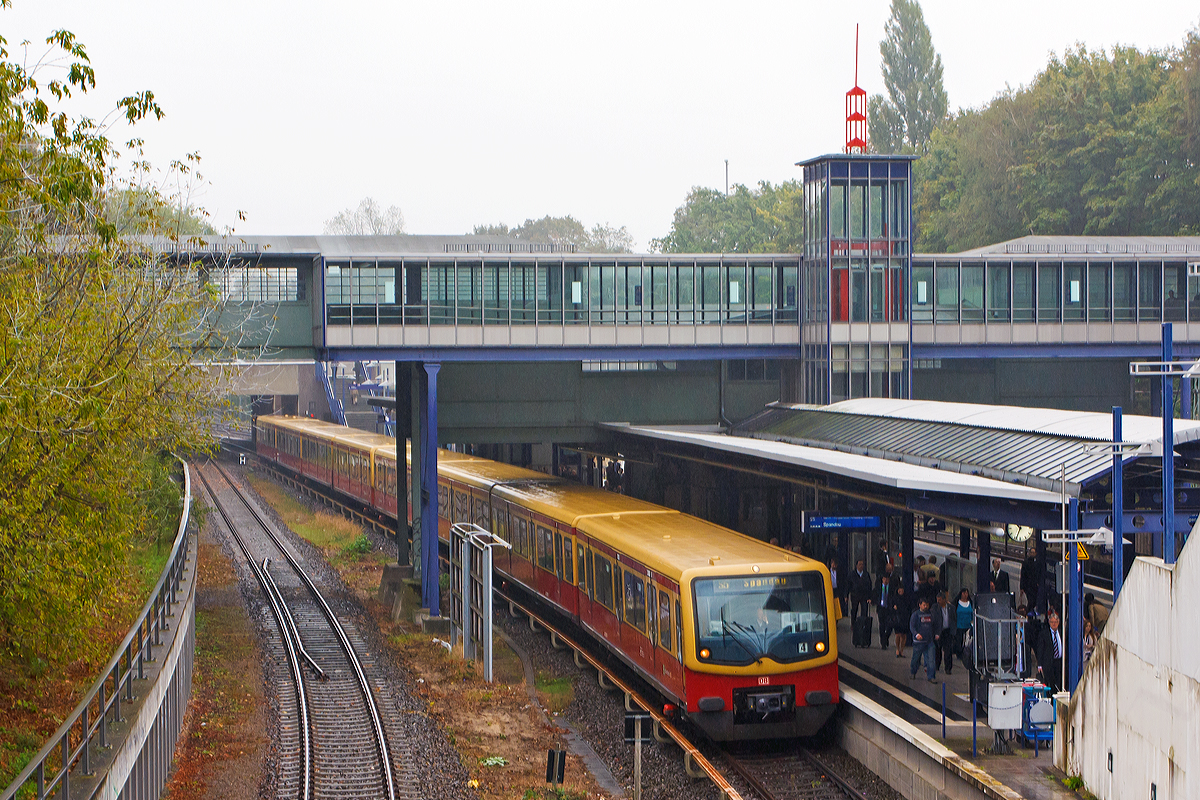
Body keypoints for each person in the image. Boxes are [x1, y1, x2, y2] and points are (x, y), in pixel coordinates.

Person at [1036, 610, 1065, 692]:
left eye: (1055, 622)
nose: (1054, 624)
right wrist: (1039, 664)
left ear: (1058, 622)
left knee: (1059, 681)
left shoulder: (1062, 632)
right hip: (1049, 663)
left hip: (1059, 662)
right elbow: (1040, 649)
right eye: (1052, 622)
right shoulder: (1044, 633)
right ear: (1049, 622)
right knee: (1050, 682)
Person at [910, 597, 938, 682]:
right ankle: (913, 671)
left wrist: (936, 633)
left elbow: (934, 625)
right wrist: (916, 634)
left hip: (929, 641)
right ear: (920, 605)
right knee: (915, 658)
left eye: (927, 605)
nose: (926, 607)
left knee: (931, 660)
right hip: (918, 642)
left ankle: (931, 676)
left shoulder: (931, 614)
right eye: (924, 605)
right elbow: (912, 626)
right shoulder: (915, 615)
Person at [934, 591, 957, 675]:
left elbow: (954, 619)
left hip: (948, 631)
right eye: (937, 600)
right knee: (937, 650)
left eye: (940, 600)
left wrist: (953, 631)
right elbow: (934, 620)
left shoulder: (951, 608)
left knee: (948, 651)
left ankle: (948, 668)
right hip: (939, 631)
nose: (938, 602)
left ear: (944, 600)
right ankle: (936, 665)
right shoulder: (935, 608)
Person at [849, 559, 873, 624]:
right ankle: (853, 624)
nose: (861, 566)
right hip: (855, 595)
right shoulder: (852, 574)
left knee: (864, 611)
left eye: (862, 564)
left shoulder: (866, 574)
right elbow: (848, 584)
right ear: (856, 565)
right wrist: (846, 595)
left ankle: (863, 624)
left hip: (864, 595)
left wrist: (870, 597)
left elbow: (869, 585)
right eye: (859, 564)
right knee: (854, 610)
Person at [955, 588, 974, 669]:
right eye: (964, 593)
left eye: (966, 593)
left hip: (968, 625)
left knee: (967, 641)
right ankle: (959, 653)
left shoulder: (970, 603)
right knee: (959, 640)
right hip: (959, 625)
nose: (965, 595)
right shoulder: (957, 603)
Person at [891, 584, 911, 657]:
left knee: (903, 635)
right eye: (899, 589)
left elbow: (909, 607)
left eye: (902, 589)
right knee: (898, 634)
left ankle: (901, 650)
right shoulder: (894, 598)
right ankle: (897, 649)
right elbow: (891, 607)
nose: (901, 591)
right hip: (897, 618)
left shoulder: (906, 597)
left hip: (905, 617)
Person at [876, 573, 893, 649]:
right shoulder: (879, 587)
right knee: (882, 625)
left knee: (889, 625)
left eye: (887, 579)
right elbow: (875, 595)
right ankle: (883, 642)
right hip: (881, 608)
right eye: (884, 579)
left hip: (888, 609)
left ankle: (886, 637)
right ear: (882, 579)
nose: (886, 580)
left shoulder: (891, 588)